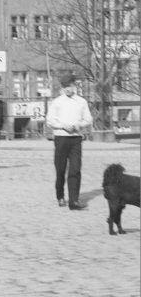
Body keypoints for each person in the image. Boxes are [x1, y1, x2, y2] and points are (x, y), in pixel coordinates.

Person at [45, 73, 93, 210]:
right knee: (60, 170)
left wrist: (80, 125)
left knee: (75, 169)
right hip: (61, 138)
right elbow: (50, 121)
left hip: (76, 139)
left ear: (74, 85)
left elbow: (88, 119)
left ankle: (74, 201)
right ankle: (60, 196)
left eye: (69, 86)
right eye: (65, 87)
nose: (67, 89)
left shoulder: (81, 102)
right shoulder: (57, 102)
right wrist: (62, 126)